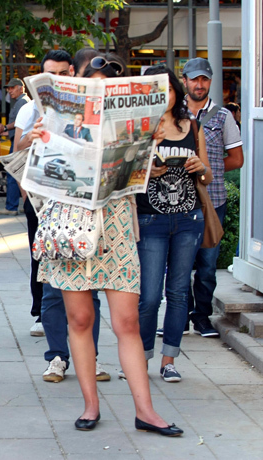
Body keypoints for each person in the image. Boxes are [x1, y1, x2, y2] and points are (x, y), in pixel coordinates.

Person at [33, 53, 183, 436]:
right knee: (80, 320)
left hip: (115, 221)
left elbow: (146, 172)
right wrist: (38, 139)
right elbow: (34, 167)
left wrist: (151, 142)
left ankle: (145, 411)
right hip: (73, 223)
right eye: (92, 83)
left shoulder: (146, 122)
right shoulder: (54, 116)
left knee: (127, 322)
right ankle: (90, 406)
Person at [14, 49, 109, 383]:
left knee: (90, 286)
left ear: (73, 73)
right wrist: (35, 135)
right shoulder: (32, 109)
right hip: (50, 206)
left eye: (62, 74)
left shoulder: (98, 109)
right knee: (53, 285)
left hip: (89, 207)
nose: (58, 80)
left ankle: (91, 357)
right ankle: (57, 357)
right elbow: (18, 149)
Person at [137, 65, 212, 383]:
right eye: (154, 90)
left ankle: (169, 360)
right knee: (150, 295)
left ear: (175, 91)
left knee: (179, 292)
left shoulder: (192, 125)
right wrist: (146, 170)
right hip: (150, 219)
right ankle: (139, 358)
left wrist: (199, 166)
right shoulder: (139, 127)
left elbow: (207, 176)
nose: (162, 96)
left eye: (166, 89)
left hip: (188, 218)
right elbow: (123, 176)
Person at [182, 58, 243, 338]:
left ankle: (202, 318)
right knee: (179, 265)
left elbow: (237, 159)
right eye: (194, 79)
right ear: (184, 81)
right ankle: (178, 317)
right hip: (177, 201)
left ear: (210, 81)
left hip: (213, 200)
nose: (199, 84)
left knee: (207, 264)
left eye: (204, 79)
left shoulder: (223, 116)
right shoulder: (173, 112)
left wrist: (211, 170)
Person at [0, 78, 29, 216]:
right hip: (20, 140)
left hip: (19, 142)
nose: (9, 91)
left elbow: (19, 122)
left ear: (20, 88)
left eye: (12, 88)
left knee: (13, 172)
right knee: (20, 174)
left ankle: (11, 207)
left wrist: (5, 127)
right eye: (8, 88)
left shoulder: (22, 101)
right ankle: (26, 204)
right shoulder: (23, 101)